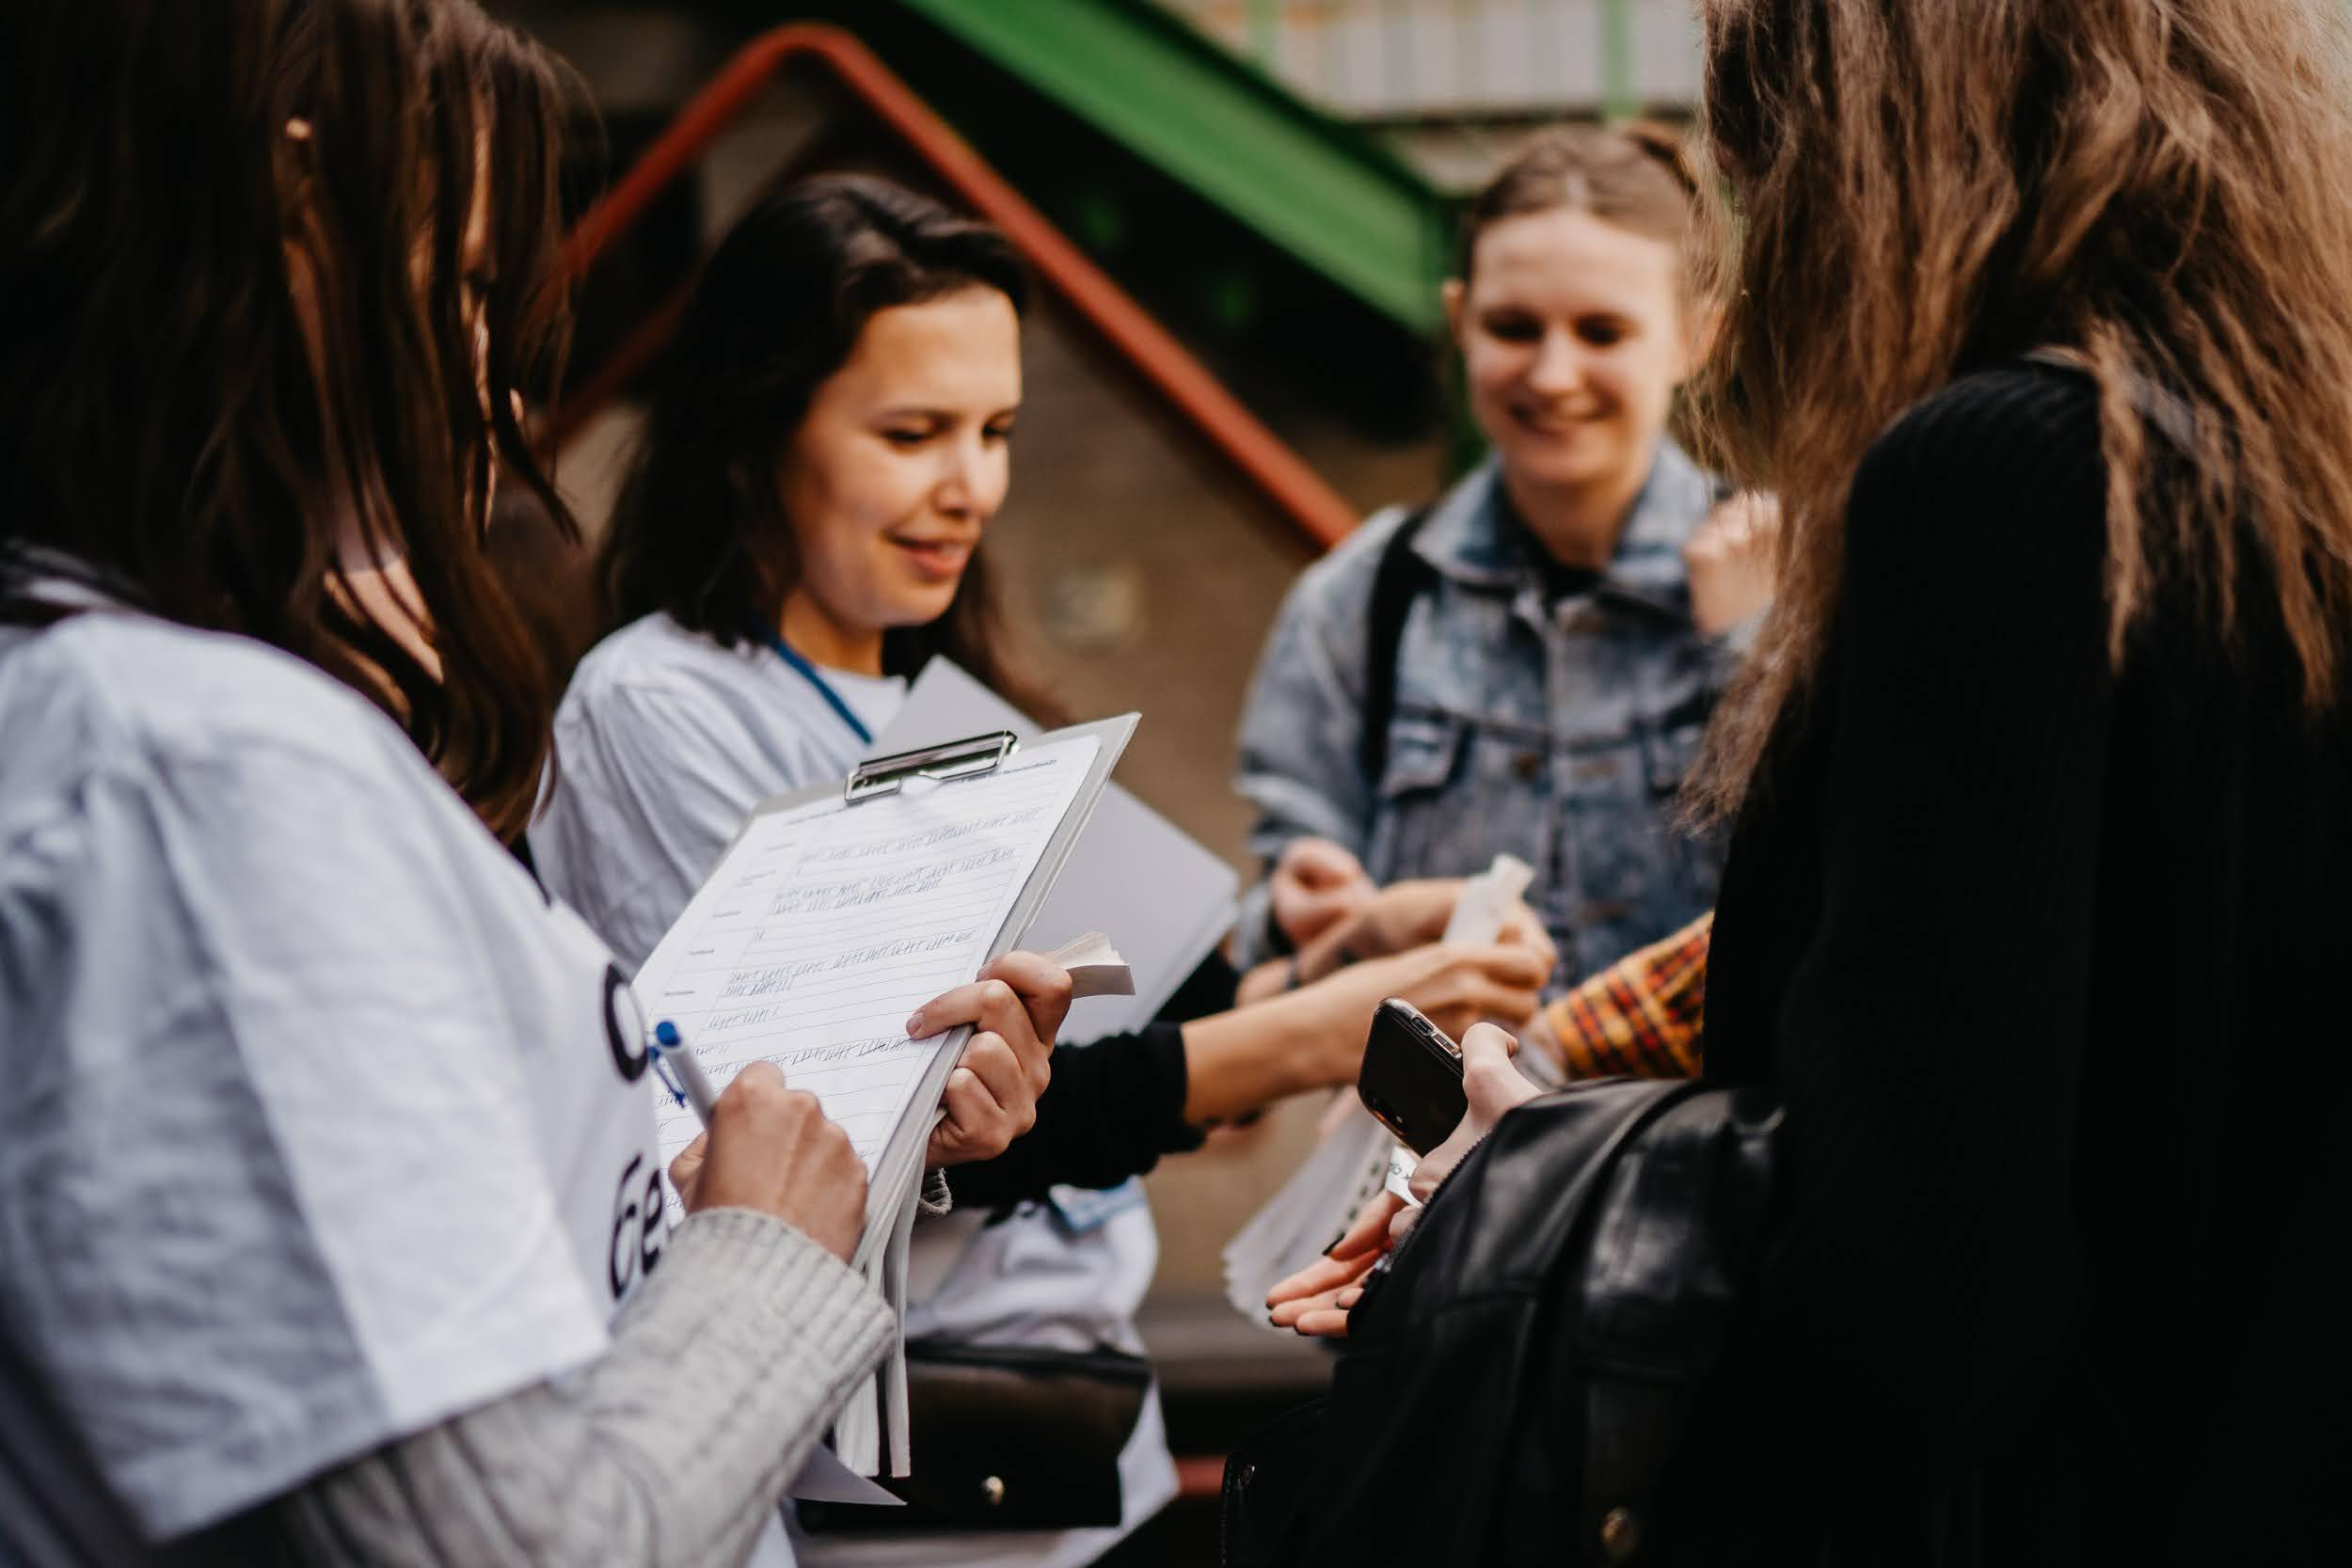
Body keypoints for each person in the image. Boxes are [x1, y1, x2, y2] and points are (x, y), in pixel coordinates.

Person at [0, 6, 1070, 1566]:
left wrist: (728, 1186)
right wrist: (770, 1249)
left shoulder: (131, 722)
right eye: (462, 291)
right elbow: (500, 1536)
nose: (491, 386)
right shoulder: (200, 771)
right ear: (291, 234)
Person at [1298, 0, 2352, 1558]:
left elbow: (1921, 1270)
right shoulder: (2286, 460)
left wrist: (1547, 1181)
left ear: (1851, 140)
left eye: (1755, 156)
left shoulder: (1997, 471)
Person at [532, 174, 1550, 1566]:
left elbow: (1153, 1053)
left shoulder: (962, 708)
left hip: (1077, 1452)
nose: (971, 485)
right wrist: (1324, 1024)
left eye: (996, 430)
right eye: (911, 432)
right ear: (756, 424)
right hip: (883, 1490)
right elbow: (841, 1137)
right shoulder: (661, 704)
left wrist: (1339, 953)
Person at [1232, 123, 1776, 981]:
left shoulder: (1797, 582)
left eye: (1602, 332)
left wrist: (1754, 649)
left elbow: (1859, 890)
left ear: (1697, 337)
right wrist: (1295, 908)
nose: (1554, 374)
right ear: (1461, 322)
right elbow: (1272, 918)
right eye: (1515, 327)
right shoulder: (1361, 600)